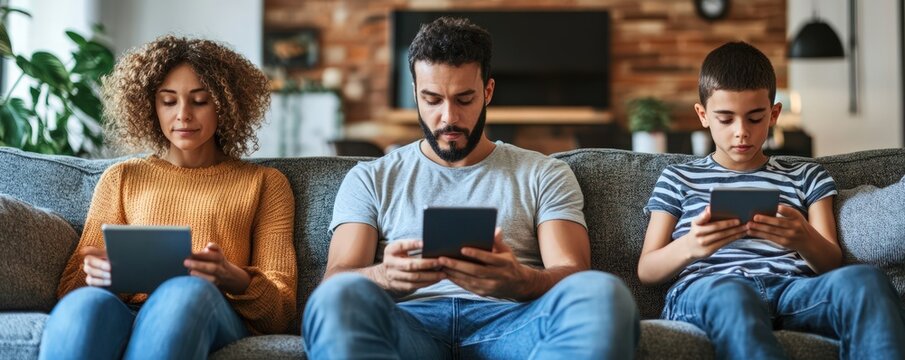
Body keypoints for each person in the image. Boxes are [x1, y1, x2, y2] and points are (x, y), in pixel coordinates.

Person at [302, 17, 639, 360]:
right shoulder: (370, 177)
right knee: (338, 299)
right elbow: (335, 281)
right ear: (415, 91)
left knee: (602, 292)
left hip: (512, 321)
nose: (449, 117)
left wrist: (519, 280)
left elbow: (573, 274)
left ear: (488, 91)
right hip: (406, 323)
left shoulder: (545, 173)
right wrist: (385, 276)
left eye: (464, 99)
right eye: (432, 99)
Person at [638, 41, 905, 359]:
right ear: (703, 115)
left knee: (865, 282)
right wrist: (691, 246)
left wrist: (802, 237)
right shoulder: (678, 178)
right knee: (732, 295)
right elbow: (647, 269)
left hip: (790, 290)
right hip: (710, 290)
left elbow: (830, 262)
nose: (741, 132)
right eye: (726, 119)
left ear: (774, 113)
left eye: (754, 118)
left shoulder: (807, 175)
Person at [40, 36, 297, 360]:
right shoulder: (122, 178)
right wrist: (98, 277)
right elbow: (69, 293)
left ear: (225, 104)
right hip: (127, 310)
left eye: (200, 100)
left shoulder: (265, 184)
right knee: (84, 306)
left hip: (212, 314)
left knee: (183, 292)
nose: (183, 115)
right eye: (169, 100)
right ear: (150, 106)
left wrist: (234, 277)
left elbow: (282, 311)